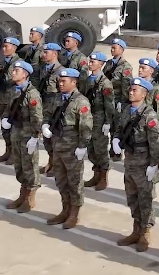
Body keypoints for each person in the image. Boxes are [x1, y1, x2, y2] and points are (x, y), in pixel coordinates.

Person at [114, 77, 159, 253]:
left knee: (145, 199)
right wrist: (116, 139)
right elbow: (120, 129)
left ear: (144, 94)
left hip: (144, 164)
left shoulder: (150, 115)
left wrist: (154, 164)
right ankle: (136, 230)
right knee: (132, 197)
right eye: (130, 89)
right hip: (130, 161)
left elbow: (156, 143)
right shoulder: (127, 110)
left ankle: (145, 233)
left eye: (135, 90)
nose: (131, 92)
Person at [44, 68, 93, 230]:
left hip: (72, 149)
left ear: (74, 82)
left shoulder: (81, 101)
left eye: (64, 81)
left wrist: (82, 146)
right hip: (57, 146)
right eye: (60, 81)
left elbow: (86, 126)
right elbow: (47, 114)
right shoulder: (57, 98)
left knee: (74, 182)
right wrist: (45, 125)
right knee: (61, 180)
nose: (60, 84)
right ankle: (65, 209)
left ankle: (74, 213)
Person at [3, 60, 43, 214]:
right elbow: (9, 108)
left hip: (28, 134)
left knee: (30, 166)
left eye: (16, 71)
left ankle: (30, 198)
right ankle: (23, 194)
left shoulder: (32, 94)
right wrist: (5, 118)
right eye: (13, 70)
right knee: (19, 165)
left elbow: (37, 117)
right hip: (16, 132)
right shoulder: (14, 90)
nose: (13, 73)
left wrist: (35, 136)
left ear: (25, 74)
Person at [83, 52, 116, 192]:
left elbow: (109, 104)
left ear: (101, 64)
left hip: (100, 119)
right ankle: (96, 173)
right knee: (90, 148)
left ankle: (103, 176)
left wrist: (108, 122)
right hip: (88, 118)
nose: (90, 63)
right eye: (90, 61)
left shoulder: (105, 83)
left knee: (100, 148)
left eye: (93, 62)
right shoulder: (87, 80)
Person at [0, 37, 23, 165]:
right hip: (3, 99)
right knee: (4, 128)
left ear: (14, 48)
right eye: (3, 46)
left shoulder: (18, 64)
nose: (3, 49)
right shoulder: (5, 62)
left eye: (7, 46)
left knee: (13, 129)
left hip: (13, 100)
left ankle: (15, 154)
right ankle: (8, 150)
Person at [38, 43, 65, 175]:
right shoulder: (45, 68)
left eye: (46, 52)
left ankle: (57, 165)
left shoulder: (61, 72)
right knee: (46, 139)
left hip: (55, 108)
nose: (43, 55)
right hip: (44, 107)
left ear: (54, 54)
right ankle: (51, 161)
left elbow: (63, 93)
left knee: (55, 138)